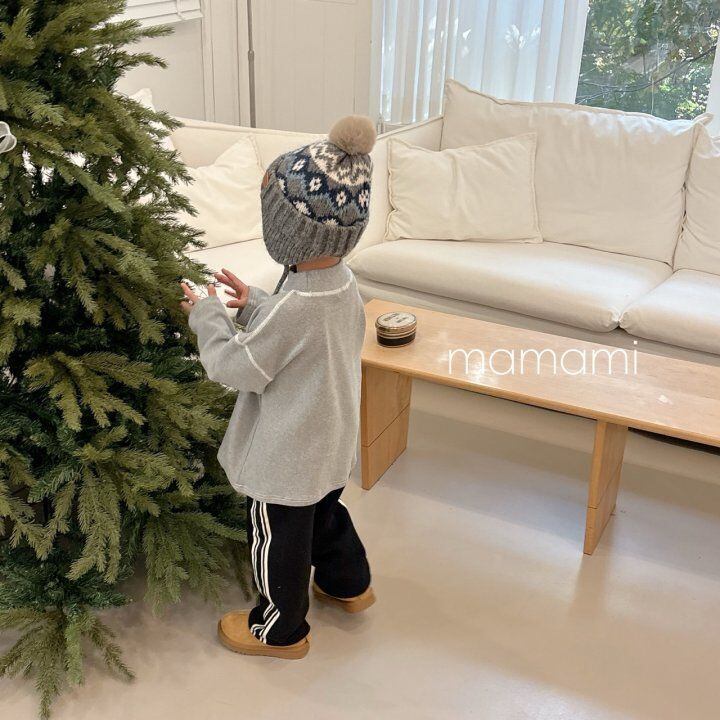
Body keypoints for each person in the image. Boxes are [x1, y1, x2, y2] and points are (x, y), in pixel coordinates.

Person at [180, 115, 377, 660]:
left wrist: (208, 315)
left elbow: (235, 366)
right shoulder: (342, 285)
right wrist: (257, 304)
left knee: (278, 541)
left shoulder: (296, 307)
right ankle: (350, 584)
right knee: (326, 516)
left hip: (287, 457)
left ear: (289, 230)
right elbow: (303, 339)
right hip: (330, 443)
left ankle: (279, 630)